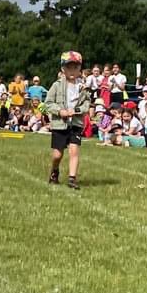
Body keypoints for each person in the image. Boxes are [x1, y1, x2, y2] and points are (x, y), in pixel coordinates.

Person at [44, 50, 90, 189]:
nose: (72, 70)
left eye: (75, 67)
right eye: (69, 67)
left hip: (75, 123)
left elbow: (86, 104)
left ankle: (72, 178)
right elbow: (48, 103)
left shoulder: (83, 87)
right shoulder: (56, 85)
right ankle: (55, 171)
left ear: (80, 69)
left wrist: (76, 111)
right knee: (57, 154)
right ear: (63, 69)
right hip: (60, 124)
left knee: (74, 150)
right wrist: (60, 111)